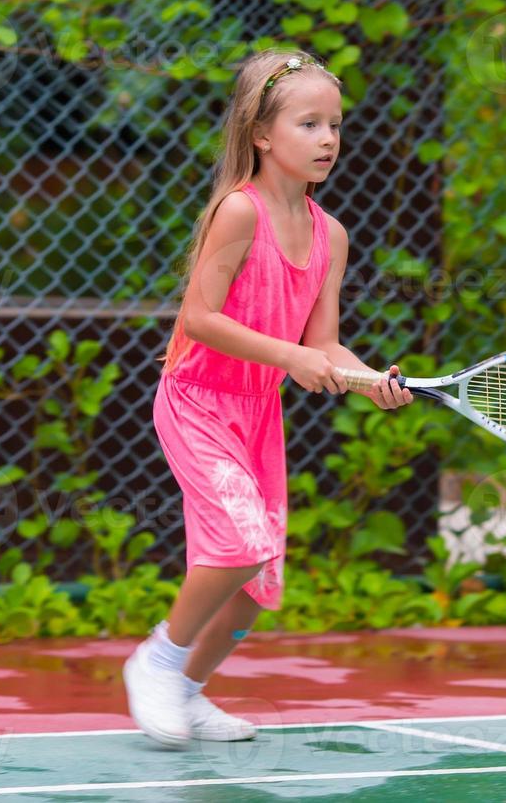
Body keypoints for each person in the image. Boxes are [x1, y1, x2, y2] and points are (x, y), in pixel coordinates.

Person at [124, 49, 413, 747]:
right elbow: (199, 318)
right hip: (197, 399)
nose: (327, 139)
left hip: (258, 414)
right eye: (308, 123)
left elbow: (326, 342)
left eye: (335, 124)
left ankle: (188, 693)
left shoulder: (330, 235)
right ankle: (157, 662)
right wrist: (293, 358)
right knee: (242, 544)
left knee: (257, 583)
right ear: (261, 134)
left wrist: (369, 378)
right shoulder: (237, 212)